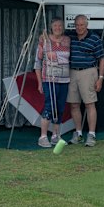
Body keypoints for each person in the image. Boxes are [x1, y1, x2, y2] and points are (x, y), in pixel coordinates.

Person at [67, 14, 104, 147]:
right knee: (74, 104)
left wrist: (100, 78)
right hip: (72, 72)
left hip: (88, 72)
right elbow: (55, 37)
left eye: (82, 25)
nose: (79, 28)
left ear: (87, 25)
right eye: (77, 25)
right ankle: (78, 134)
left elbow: (102, 59)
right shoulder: (70, 37)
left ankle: (91, 135)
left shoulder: (94, 38)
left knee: (90, 104)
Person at [34, 17, 71, 148]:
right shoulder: (43, 40)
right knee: (50, 106)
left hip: (64, 80)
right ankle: (43, 136)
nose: (58, 28)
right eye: (55, 25)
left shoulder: (67, 40)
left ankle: (56, 135)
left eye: (60, 26)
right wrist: (39, 82)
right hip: (49, 79)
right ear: (51, 27)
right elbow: (37, 63)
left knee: (60, 107)